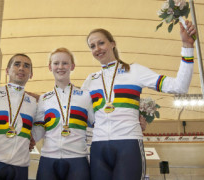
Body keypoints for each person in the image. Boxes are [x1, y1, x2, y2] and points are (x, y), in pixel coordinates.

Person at [82, 21, 196, 180]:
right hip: (98, 147)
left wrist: (187, 46)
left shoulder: (135, 71)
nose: (97, 49)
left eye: (101, 43)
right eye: (92, 46)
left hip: (128, 144)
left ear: (113, 43)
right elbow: (80, 114)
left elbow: (179, 86)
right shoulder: (90, 80)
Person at [32, 48, 94, 180]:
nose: (60, 67)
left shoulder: (85, 96)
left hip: (77, 160)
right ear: (50, 67)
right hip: (48, 160)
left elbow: (101, 122)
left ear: (72, 66)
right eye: (56, 63)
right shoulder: (44, 98)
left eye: (65, 63)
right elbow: (38, 130)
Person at [0, 54, 37, 180]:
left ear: (31, 74)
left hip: (20, 165)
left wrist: (32, 138)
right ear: (7, 71)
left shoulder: (34, 103)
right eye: (17, 64)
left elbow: (40, 128)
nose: (21, 68)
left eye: (26, 66)